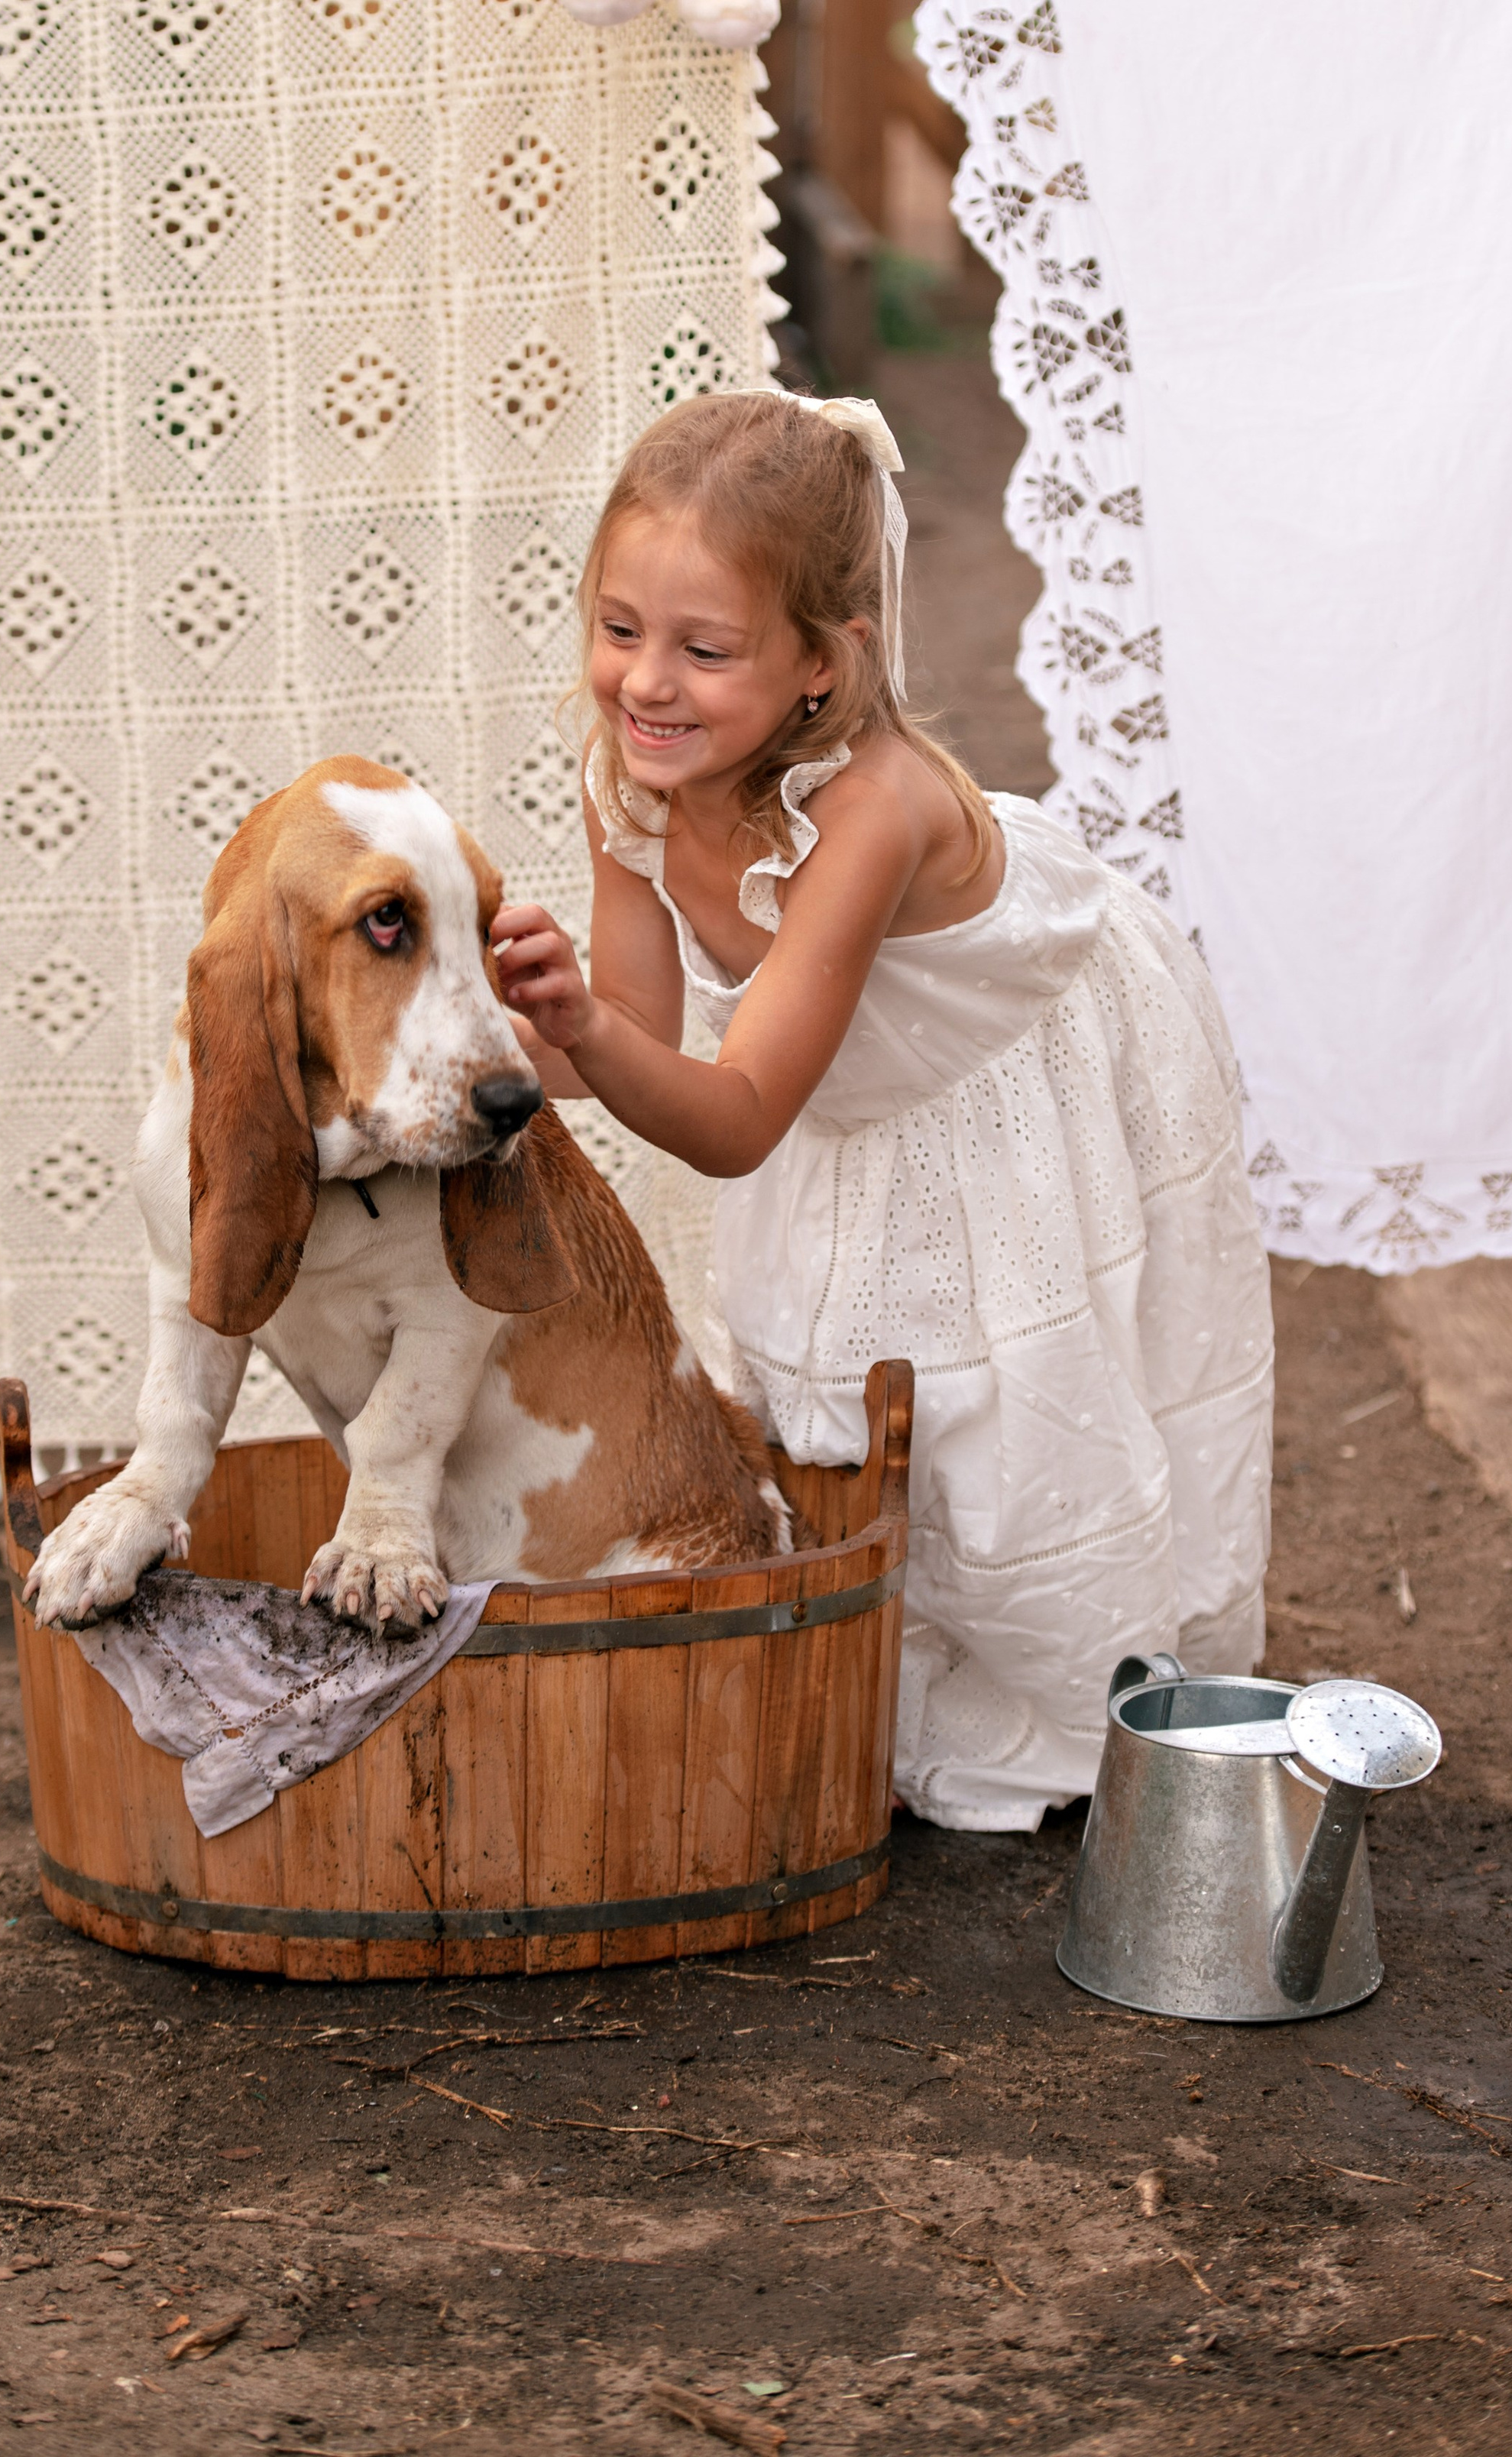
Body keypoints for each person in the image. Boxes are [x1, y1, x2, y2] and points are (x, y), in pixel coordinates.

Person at [492, 390, 1273, 1831]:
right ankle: (894, 1678)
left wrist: (582, 1026)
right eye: (617, 628)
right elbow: (634, 1041)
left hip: (1013, 1086)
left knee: (1016, 1428)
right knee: (871, 1412)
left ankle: (1097, 1699)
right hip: (842, 1099)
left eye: (703, 649)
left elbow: (731, 1121)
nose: (644, 683)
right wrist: (511, 1025)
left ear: (821, 664)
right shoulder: (637, 783)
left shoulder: (876, 810)